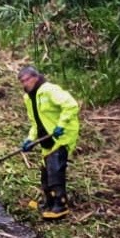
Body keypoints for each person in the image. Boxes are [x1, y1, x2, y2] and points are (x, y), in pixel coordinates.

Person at [18, 64, 81, 220]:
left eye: (27, 80)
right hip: (46, 136)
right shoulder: (29, 98)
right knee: (45, 171)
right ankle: (49, 201)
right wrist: (30, 139)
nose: (25, 84)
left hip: (62, 135)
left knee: (55, 168)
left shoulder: (49, 90)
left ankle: (61, 205)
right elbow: (36, 122)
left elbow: (71, 105)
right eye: (22, 82)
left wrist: (61, 125)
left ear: (36, 77)